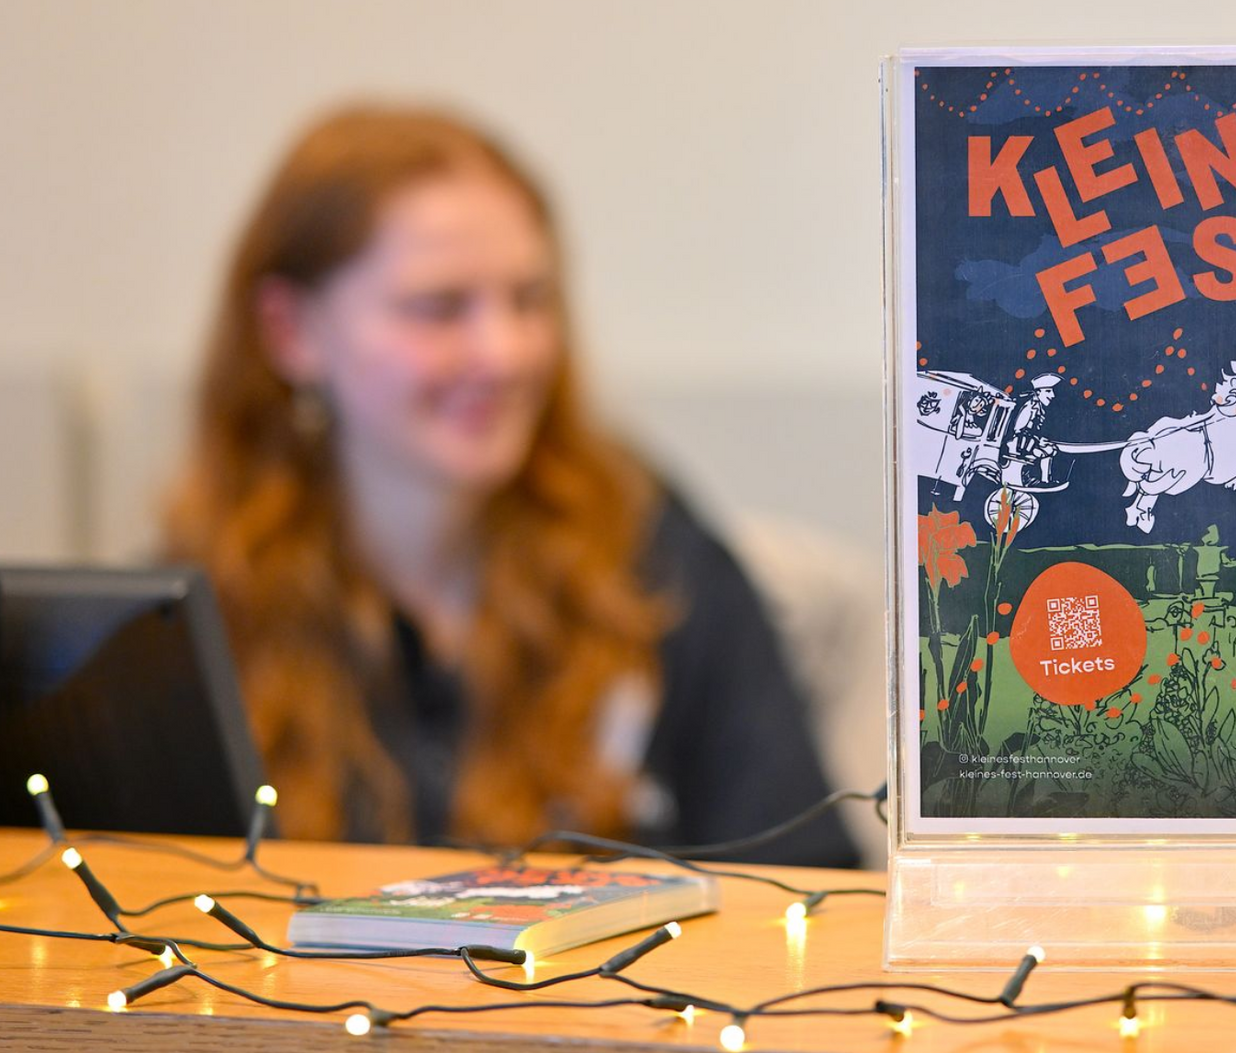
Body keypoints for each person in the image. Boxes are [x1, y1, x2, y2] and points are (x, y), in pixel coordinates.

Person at [162, 104, 858, 867]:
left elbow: (810, 876)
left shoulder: (649, 561)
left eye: (530, 300)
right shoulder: (195, 612)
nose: (505, 353)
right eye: (439, 308)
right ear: (291, 332)